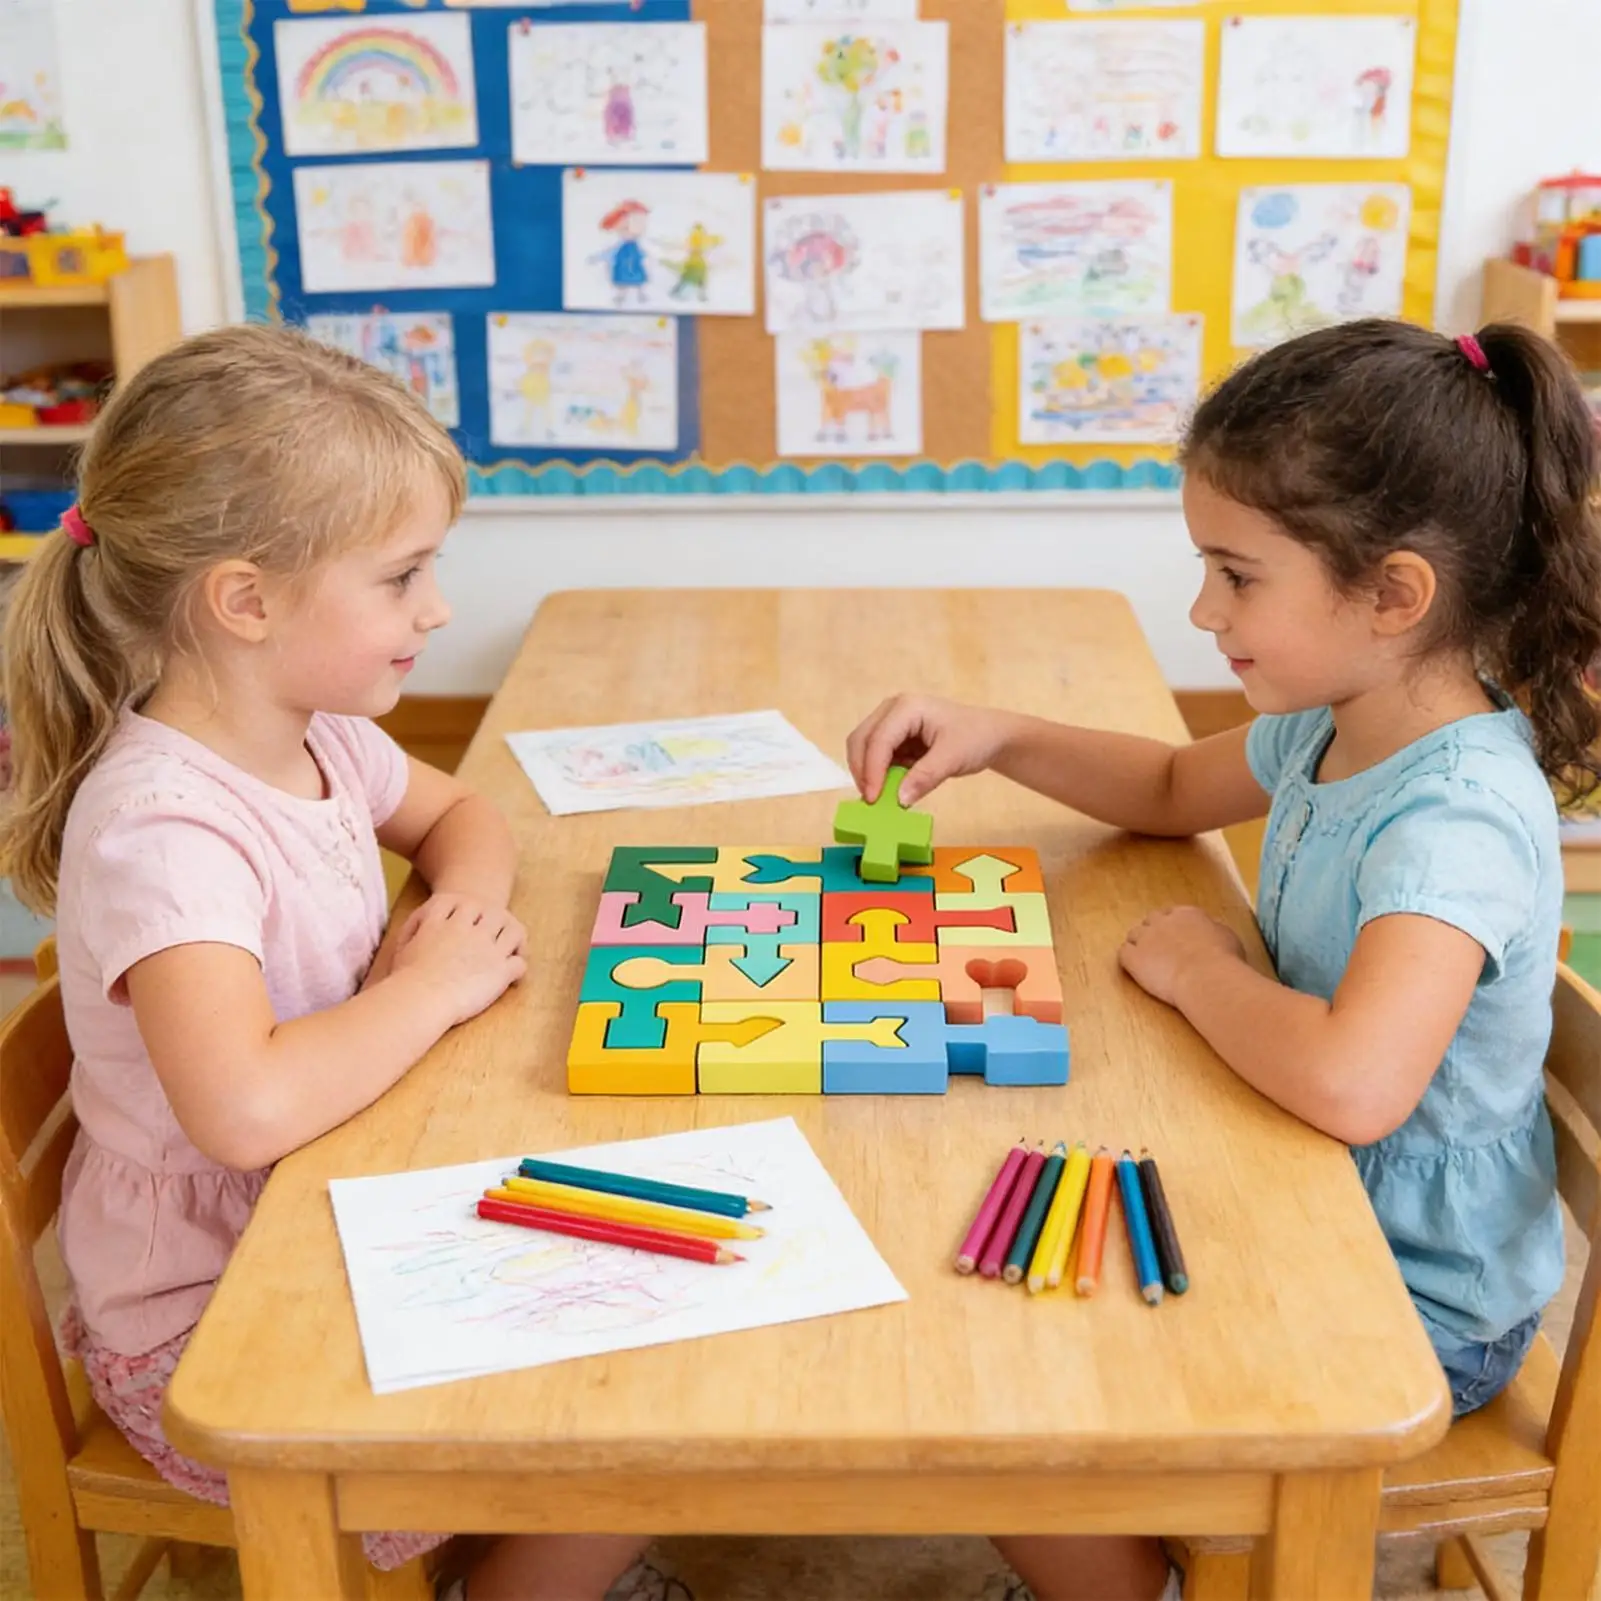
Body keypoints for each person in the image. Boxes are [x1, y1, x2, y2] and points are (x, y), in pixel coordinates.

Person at [848, 319, 1601, 1601]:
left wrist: (1203, 970)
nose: (1201, 610)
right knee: (975, 1256)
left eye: (1234, 576)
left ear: (1394, 593)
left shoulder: (1453, 817)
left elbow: (1356, 1084)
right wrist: (999, 733)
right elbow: (1158, 782)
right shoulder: (1335, 715)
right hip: (1297, 1186)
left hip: (1405, 1295)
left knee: (997, 1403)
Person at [0, 323, 687, 1601]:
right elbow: (246, 1108)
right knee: (651, 1413)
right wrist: (426, 989)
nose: (436, 609)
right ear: (246, 599)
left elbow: (465, 819)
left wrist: (451, 927)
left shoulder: (309, 733)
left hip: (334, 1199)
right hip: (212, 1321)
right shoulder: (167, 826)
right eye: (401, 575)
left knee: (657, 1272)